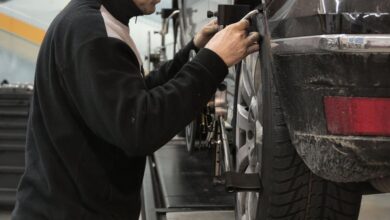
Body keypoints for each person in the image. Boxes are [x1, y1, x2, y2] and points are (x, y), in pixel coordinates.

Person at [11, 0, 259, 219]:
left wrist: (193, 51)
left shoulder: (96, 20)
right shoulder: (90, 31)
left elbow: (135, 95)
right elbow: (138, 126)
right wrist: (213, 61)